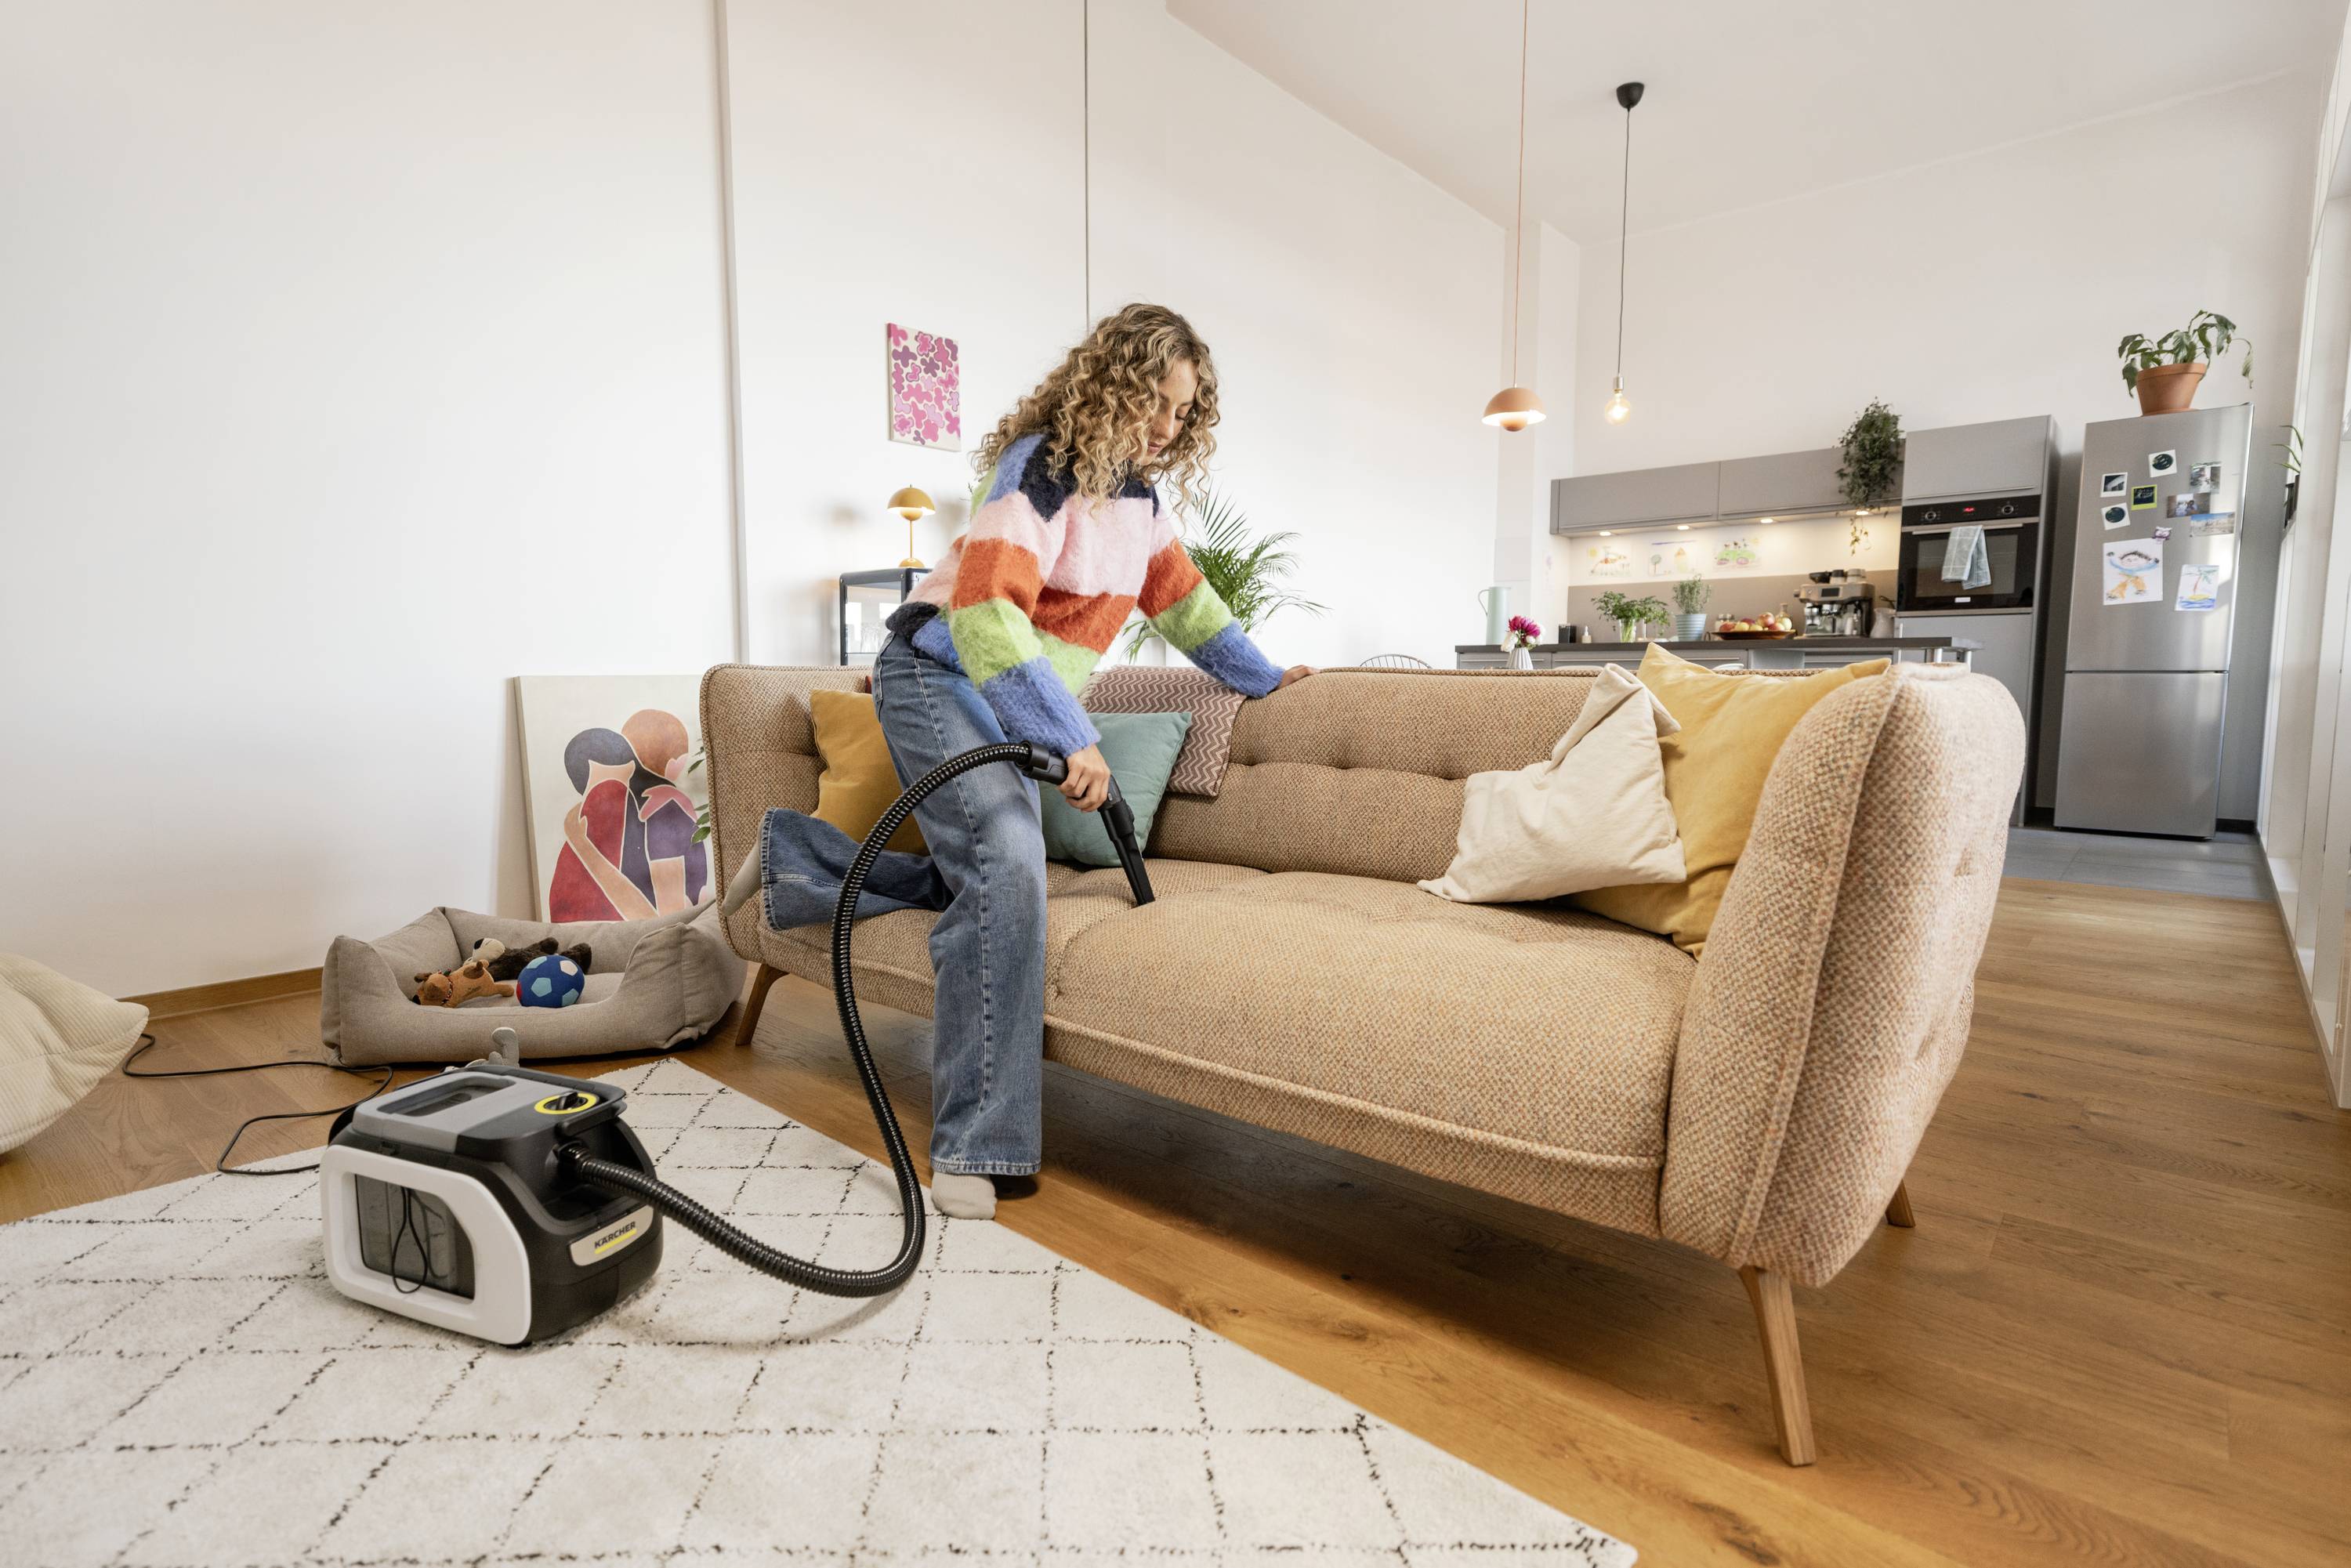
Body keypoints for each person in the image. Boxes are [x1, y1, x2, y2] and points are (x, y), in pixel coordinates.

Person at [752, 302, 1313, 1219]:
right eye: (1157, 403)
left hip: (1003, 701)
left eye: (1184, 412)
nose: (1169, 427)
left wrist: (1266, 676)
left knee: (991, 869)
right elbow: (982, 616)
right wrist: (1069, 733)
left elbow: (1191, 611)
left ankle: (798, 862)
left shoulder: (1142, 505)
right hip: (937, 675)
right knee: (1010, 862)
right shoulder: (1041, 469)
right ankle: (980, 1142)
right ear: (1114, 385)